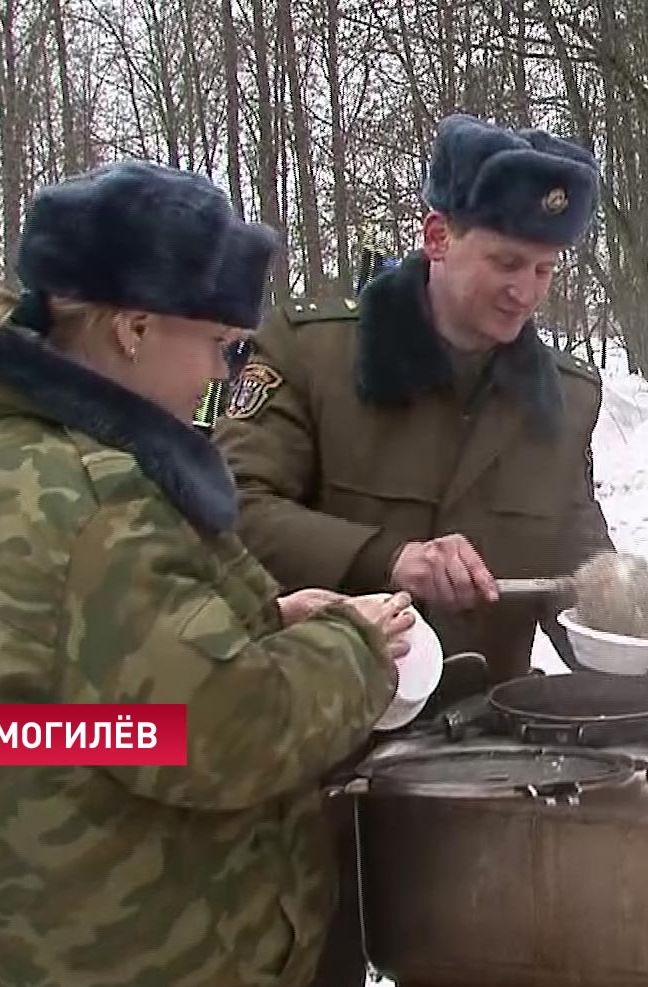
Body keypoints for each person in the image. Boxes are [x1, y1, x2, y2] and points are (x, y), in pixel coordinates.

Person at [0, 160, 413, 987]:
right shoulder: (103, 498)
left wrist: (260, 621)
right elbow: (218, 732)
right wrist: (355, 646)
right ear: (135, 328)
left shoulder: (16, 460)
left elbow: (40, 728)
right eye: (220, 346)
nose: (222, 377)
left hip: (89, 977)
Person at [214, 113, 613, 686]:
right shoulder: (313, 354)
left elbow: (574, 560)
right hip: (319, 722)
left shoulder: (564, 399)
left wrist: (616, 618)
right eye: (504, 263)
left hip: (492, 746)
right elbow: (234, 510)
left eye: (544, 269)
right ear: (437, 238)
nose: (525, 291)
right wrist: (389, 558)